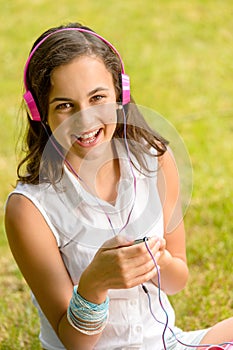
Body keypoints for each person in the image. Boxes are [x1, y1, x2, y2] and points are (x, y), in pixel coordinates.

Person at [4, 22, 233, 350]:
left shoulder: (154, 160)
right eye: (64, 105)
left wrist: (158, 262)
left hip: (166, 343)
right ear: (39, 111)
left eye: (98, 97)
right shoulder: (29, 209)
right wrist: (94, 285)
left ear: (120, 94)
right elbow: (73, 341)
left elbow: (176, 279)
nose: (85, 119)